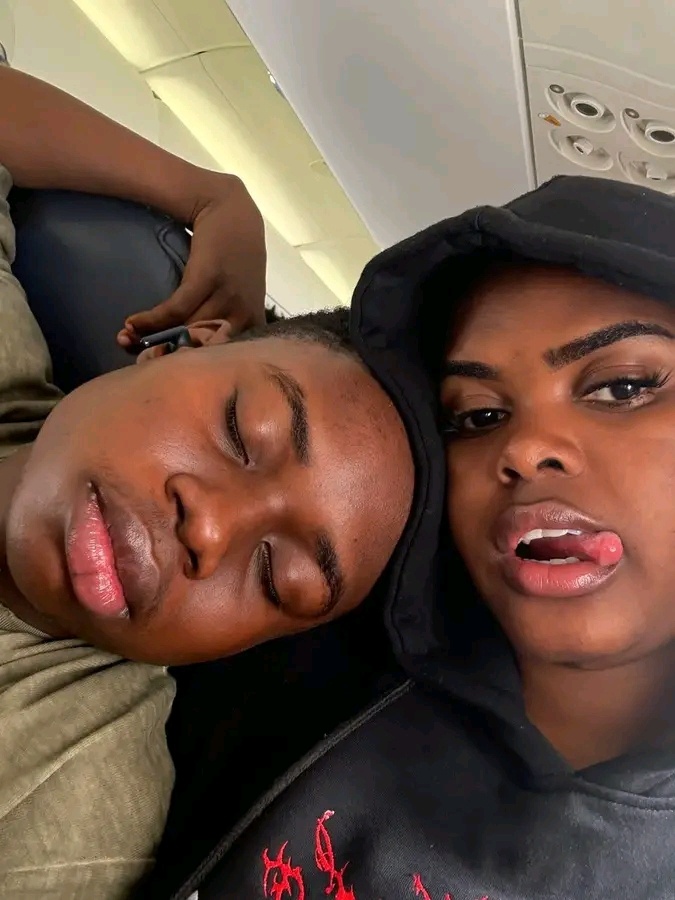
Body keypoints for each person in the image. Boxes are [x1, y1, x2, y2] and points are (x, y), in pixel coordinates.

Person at [156, 174, 675, 900]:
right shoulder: (298, 633)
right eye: (477, 417)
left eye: (622, 386)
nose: (525, 450)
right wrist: (213, 197)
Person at [0, 69, 416, 899]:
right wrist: (212, 194)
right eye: (239, 431)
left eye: (277, 578)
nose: (211, 529)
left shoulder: (71, 803)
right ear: (183, 344)